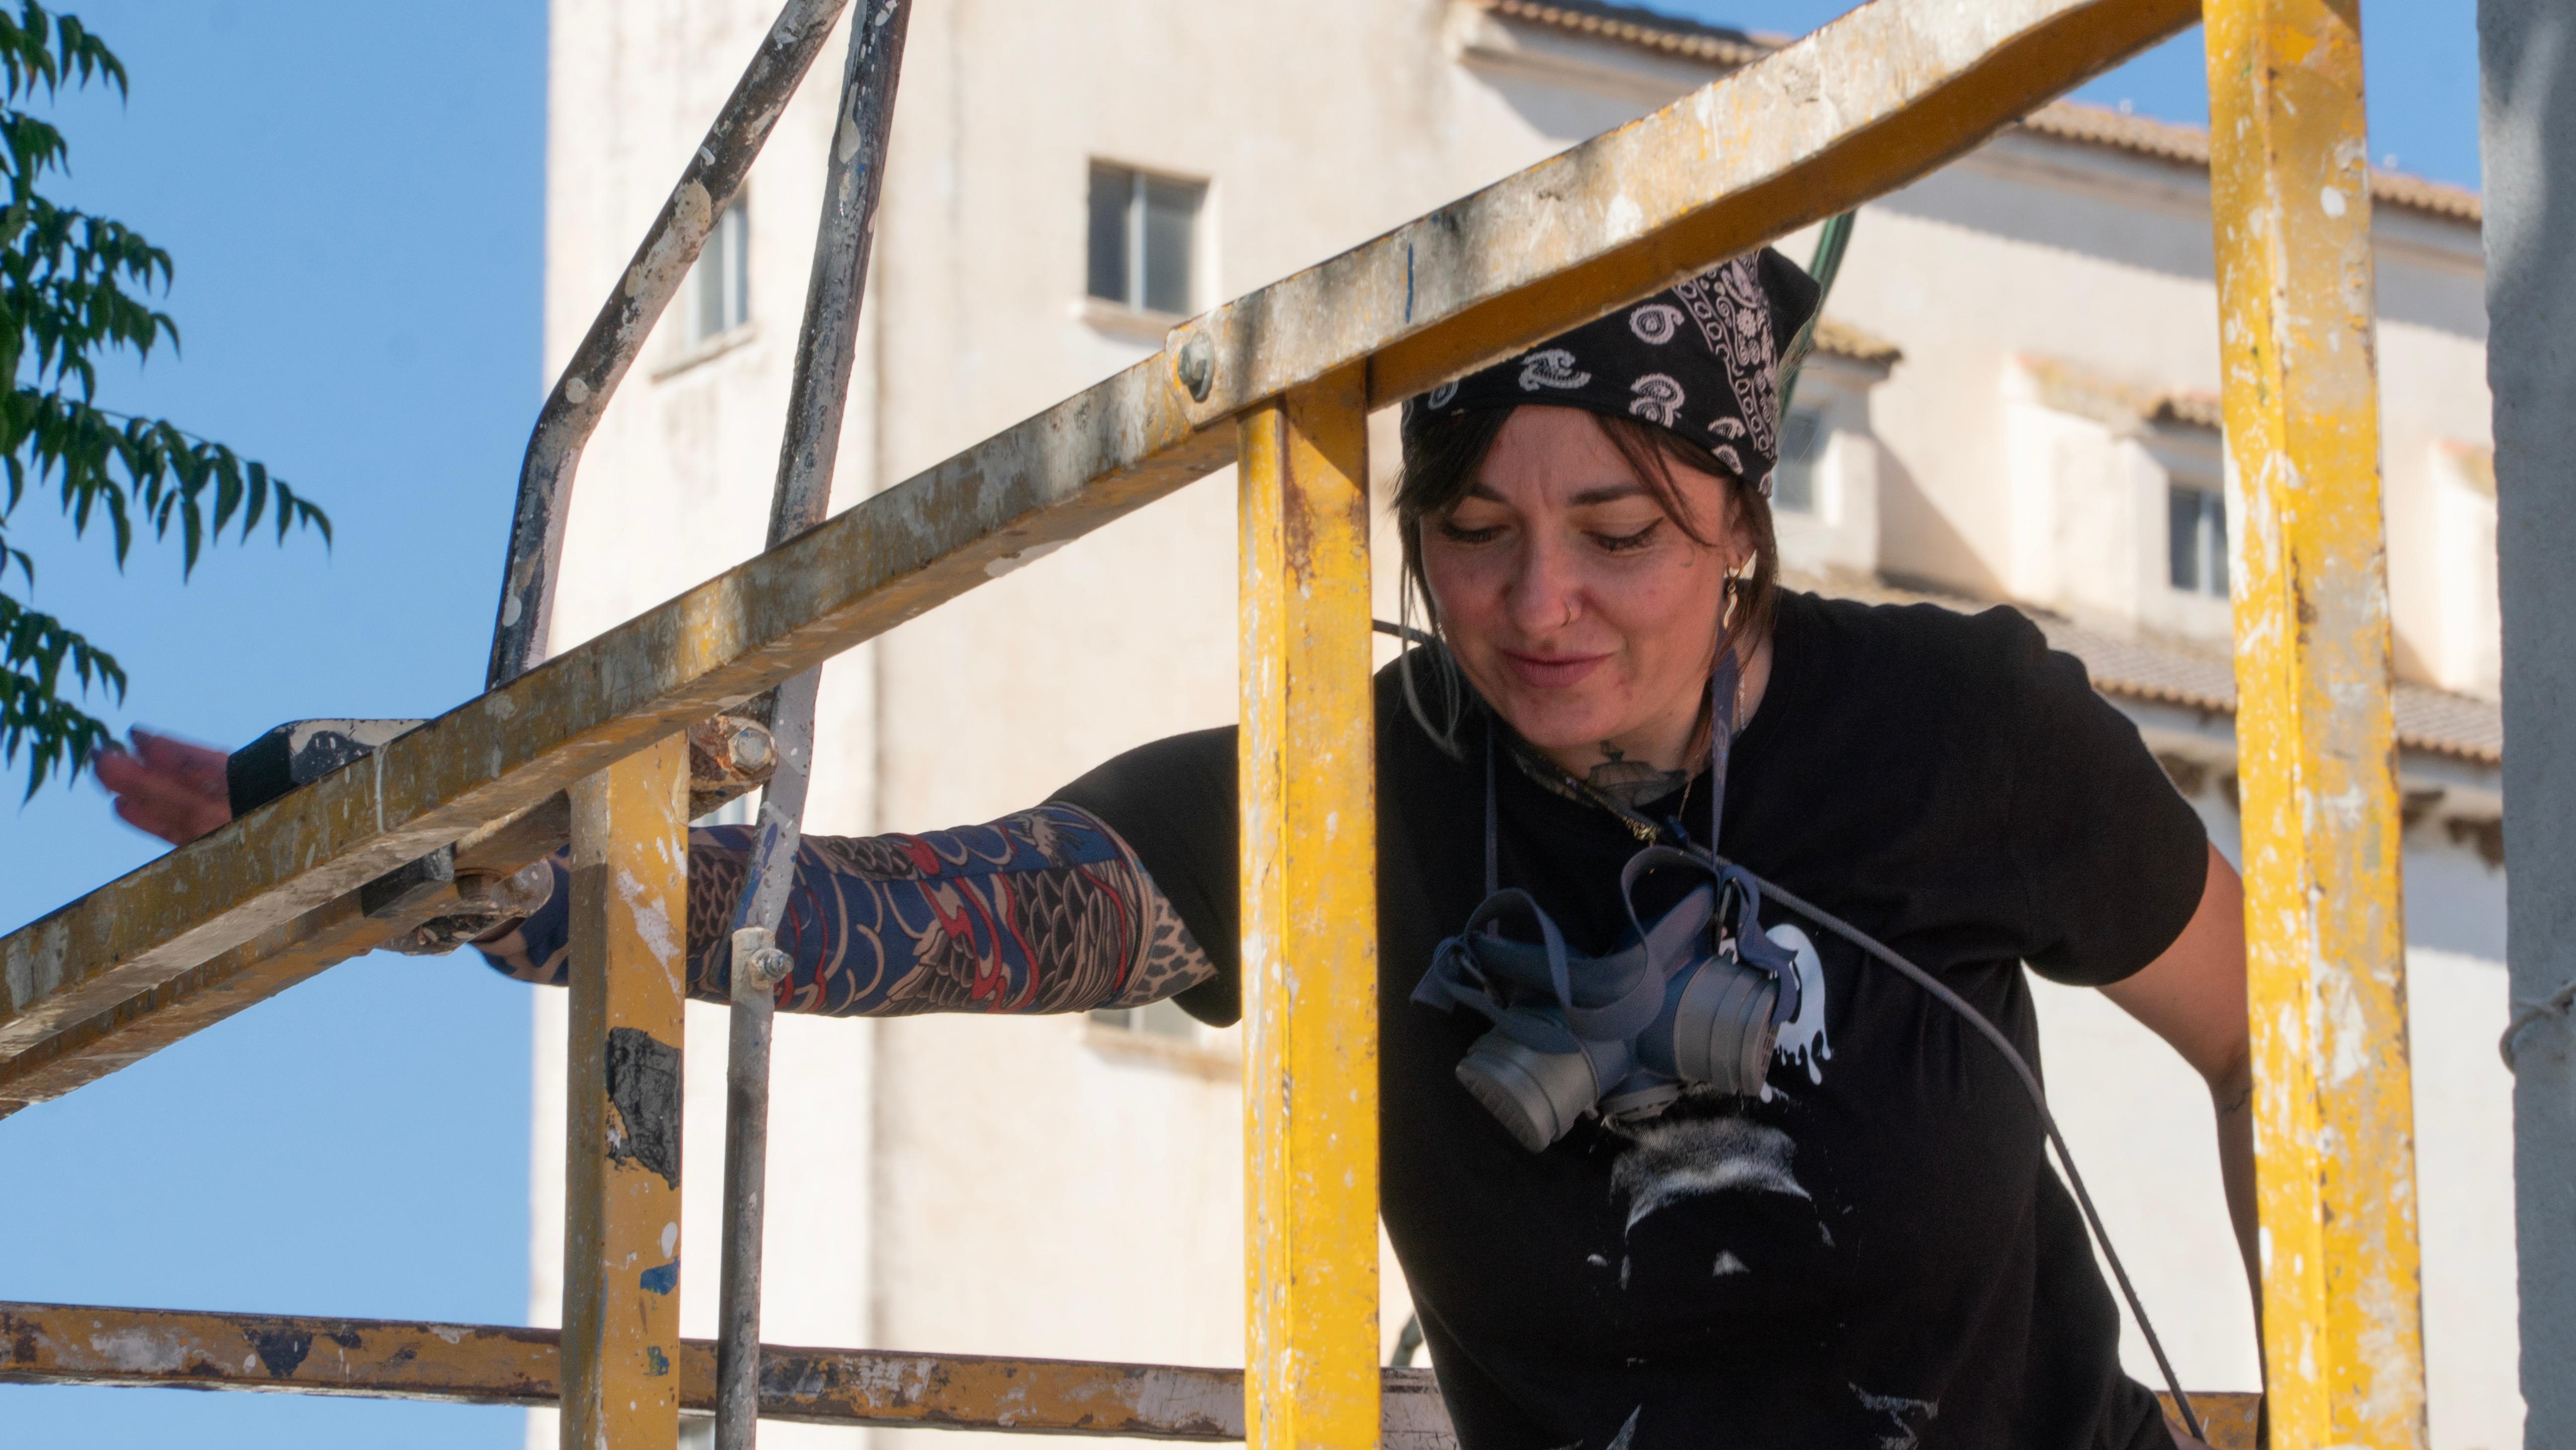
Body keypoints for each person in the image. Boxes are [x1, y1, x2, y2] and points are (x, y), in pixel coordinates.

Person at [100, 248, 2251, 1450]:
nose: (1541, 610)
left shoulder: (1952, 733)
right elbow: (900, 909)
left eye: (1620, 536)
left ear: (1742, 533)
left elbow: (2275, 1046)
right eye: (1474, 539)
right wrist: (488, 868)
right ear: (1399, 544)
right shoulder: (1340, 797)